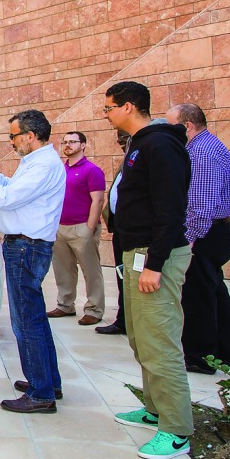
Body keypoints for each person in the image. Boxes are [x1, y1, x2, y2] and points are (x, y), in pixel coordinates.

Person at [104, 80, 194, 459]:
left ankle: (176, 431)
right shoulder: (142, 143)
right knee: (141, 338)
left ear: (128, 106)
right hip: (136, 252)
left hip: (156, 256)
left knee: (160, 342)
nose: (106, 114)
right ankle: (155, 410)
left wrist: (154, 265)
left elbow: (170, 209)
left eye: (108, 108)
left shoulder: (159, 145)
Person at [0, 109, 66, 414]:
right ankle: (47, 382)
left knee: (26, 321)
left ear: (30, 136)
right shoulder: (35, 163)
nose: (11, 142)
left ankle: (40, 393)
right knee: (34, 316)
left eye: (13, 136)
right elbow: (13, 190)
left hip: (26, 247)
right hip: (26, 245)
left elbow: (7, 199)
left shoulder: (44, 164)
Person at [166, 103, 230, 374]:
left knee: (198, 297)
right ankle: (226, 351)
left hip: (206, 233)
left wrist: (190, 238)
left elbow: (201, 205)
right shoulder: (206, 146)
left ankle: (201, 357)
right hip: (214, 230)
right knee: (215, 291)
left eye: (171, 125)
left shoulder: (202, 153)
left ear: (187, 126)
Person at [47, 131, 107, 326]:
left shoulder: (92, 170)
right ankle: (65, 305)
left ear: (83, 145)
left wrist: (89, 228)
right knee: (63, 270)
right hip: (61, 227)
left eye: (72, 142)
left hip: (82, 227)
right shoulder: (60, 170)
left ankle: (94, 309)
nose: (67, 145)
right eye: (64, 142)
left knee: (91, 271)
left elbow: (98, 200)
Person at [96, 129, 131, 336]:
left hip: (135, 231)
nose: (121, 141)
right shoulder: (127, 158)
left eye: (125, 137)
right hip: (121, 228)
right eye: (118, 137)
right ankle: (124, 320)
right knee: (122, 276)